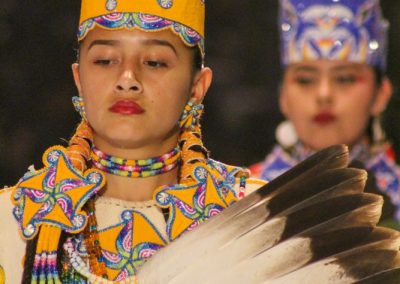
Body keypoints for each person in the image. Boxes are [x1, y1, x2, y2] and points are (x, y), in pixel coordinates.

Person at [0, 1, 265, 282]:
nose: (127, 79)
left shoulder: (256, 219)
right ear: (79, 79)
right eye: (105, 61)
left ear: (197, 87)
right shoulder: (11, 222)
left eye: (154, 62)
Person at [251, 0, 400, 228]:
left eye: (345, 78)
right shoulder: (242, 199)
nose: (324, 94)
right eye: (305, 80)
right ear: (283, 96)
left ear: (380, 94)